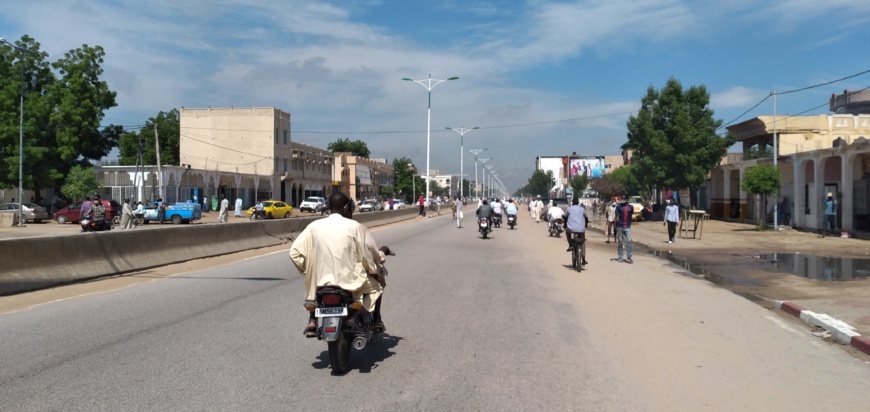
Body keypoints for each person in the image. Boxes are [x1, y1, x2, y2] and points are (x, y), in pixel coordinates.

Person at [289, 192, 386, 337]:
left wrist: (308, 270)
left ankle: (312, 321)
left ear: (328, 206)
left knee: (313, 295)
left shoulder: (313, 226)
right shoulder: (354, 226)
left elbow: (294, 253)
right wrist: (374, 271)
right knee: (376, 287)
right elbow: (365, 256)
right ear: (347, 207)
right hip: (348, 282)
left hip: (320, 283)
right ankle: (355, 315)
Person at [564, 198, 589, 265]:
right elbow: (586, 218)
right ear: (578, 202)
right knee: (582, 241)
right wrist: (586, 225)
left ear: (572, 202)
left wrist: (565, 225)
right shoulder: (582, 209)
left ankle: (570, 245)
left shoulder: (569, 209)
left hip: (571, 228)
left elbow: (565, 217)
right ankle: (583, 258)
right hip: (581, 229)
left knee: (567, 232)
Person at [614, 197, 634, 263]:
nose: (622, 200)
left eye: (624, 199)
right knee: (620, 241)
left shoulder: (631, 207)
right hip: (620, 226)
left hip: (627, 226)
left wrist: (630, 223)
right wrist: (614, 224)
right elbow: (616, 216)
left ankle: (629, 257)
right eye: (621, 199)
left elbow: (631, 216)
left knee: (629, 241)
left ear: (626, 199)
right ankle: (620, 257)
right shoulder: (618, 207)